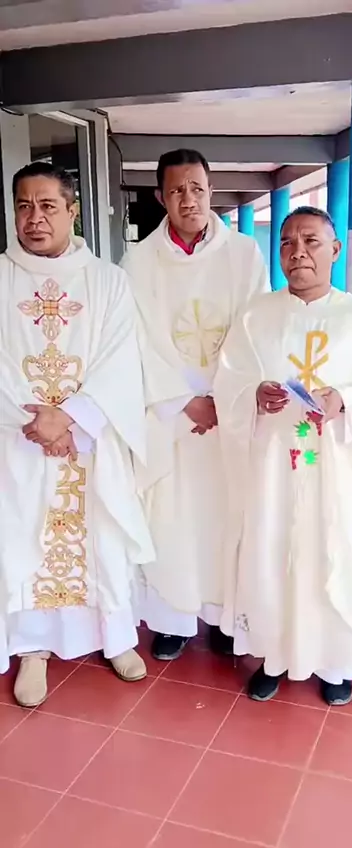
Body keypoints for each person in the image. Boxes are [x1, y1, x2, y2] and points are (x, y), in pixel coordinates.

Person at [214, 206, 352, 704]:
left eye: (311, 241)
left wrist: (345, 398)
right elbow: (229, 380)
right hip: (274, 466)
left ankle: (336, 663)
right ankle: (274, 656)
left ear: (335, 250)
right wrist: (254, 394)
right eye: (287, 242)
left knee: (331, 552)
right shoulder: (257, 316)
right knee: (273, 552)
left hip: (337, 469)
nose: (297, 252)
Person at [0, 162, 154, 707]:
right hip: (17, 439)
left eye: (47, 206)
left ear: (72, 211)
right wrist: (36, 421)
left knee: (99, 535)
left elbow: (121, 360)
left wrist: (70, 418)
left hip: (89, 440)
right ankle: (33, 647)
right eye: (24, 206)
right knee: (26, 535)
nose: (34, 218)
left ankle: (115, 636)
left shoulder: (108, 281)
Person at [122, 149, 268, 661]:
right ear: (161, 197)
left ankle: (226, 618)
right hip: (172, 415)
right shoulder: (138, 262)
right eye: (178, 190)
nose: (189, 199)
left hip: (228, 413)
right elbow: (136, 339)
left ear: (211, 191)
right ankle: (173, 621)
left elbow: (256, 330)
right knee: (172, 517)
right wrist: (186, 400)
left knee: (228, 516)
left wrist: (222, 398)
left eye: (198, 189)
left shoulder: (244, 255)